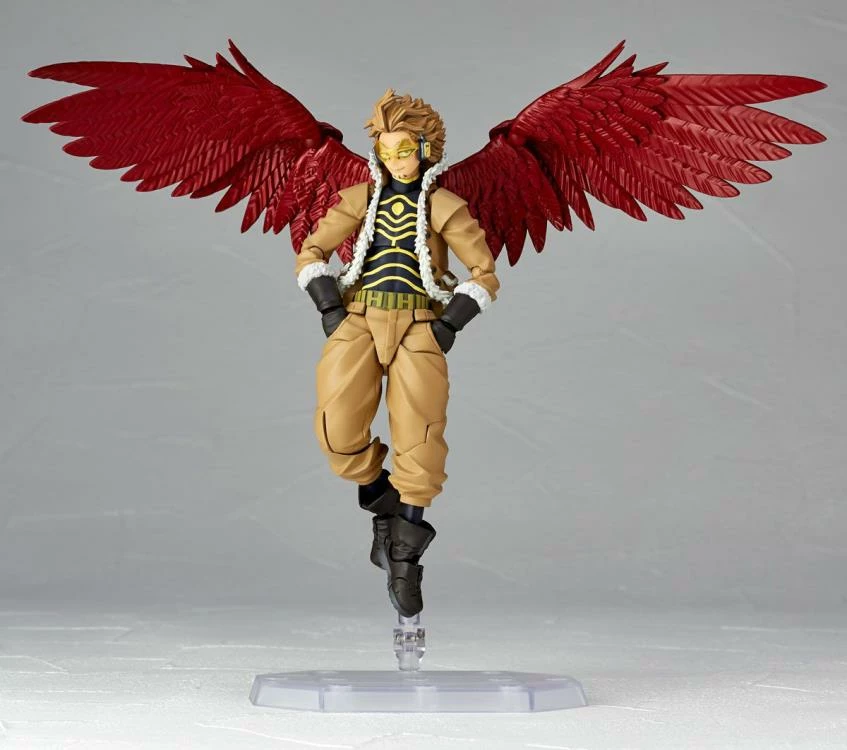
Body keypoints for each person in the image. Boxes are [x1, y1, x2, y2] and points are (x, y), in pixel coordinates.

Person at [294, 89, 500, 616]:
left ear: (426, 149)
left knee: (421, 439)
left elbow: (484, 274)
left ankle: (405, 560)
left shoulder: (444, 207)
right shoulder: (359, 198)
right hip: (358, 317)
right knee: (337, 431)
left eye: (403, 149)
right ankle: (384, 507)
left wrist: (448, 325)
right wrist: (329, 308)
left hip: (419, 326)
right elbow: (312, 250)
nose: (393, 160)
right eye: (384, 151)